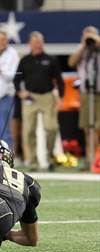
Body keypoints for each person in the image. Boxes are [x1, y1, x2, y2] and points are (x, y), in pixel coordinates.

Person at [14, 31, 64, 171]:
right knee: (28, 130)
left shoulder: (50, 59)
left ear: (42, 43)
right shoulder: (25, 60)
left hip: (47, 97)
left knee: (52, 128)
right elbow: (16, 79)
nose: (37, 45)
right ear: (30, 44)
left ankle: (48, 158)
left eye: (39, 42)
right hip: (30, 97)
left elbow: (59, 80)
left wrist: (60, 96)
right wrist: (20, 92)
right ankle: (33, 161)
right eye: (34, 42)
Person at [68, 26, 100, 173]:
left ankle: (97, 159)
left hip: (99, 92)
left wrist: (96, 41)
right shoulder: (82, 50)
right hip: (86, 93)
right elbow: (71, 62)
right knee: (88, 128)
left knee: (98, 128)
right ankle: (89, 159)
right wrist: (83, 45)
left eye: (91, 36)